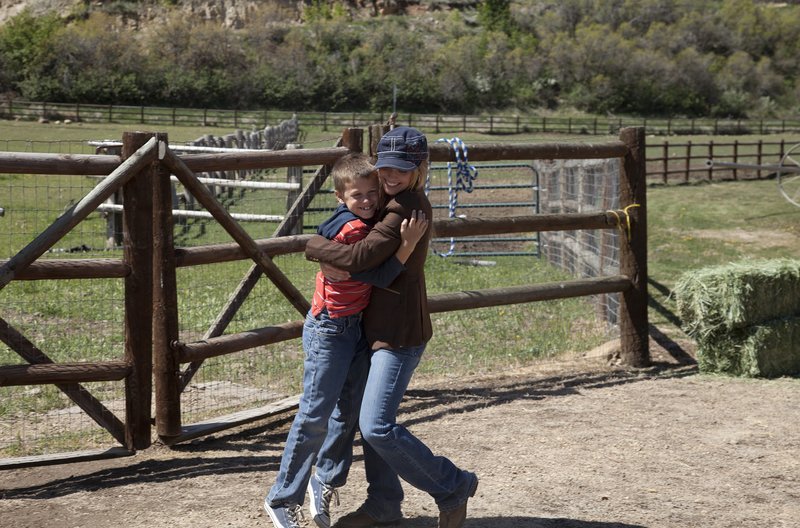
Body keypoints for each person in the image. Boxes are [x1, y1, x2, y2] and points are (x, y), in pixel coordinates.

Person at [305, 127, 478, 528]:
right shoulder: (382, 196)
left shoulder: (406, 207)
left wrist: (311, 245)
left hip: (397, 333)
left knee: (377, 426)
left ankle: (452, 486)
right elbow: (350, 231)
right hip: (372, 329)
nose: (391, 176)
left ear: (420, 167)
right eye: (385, 168)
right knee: (369, 424)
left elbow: (364, 257)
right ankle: (384, 503)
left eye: (402, 169)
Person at [264, 152, 429, 528]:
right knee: (314, 414)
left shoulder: (364, 218)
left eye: (373, 192)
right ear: (342, 198)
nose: (369, 200)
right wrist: (406, 246)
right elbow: (374, 273)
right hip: (331, 328)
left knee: (346, 412)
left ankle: (324, 478)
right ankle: (281, 497)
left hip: (353, 327)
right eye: (359, 195)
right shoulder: (353, 230)